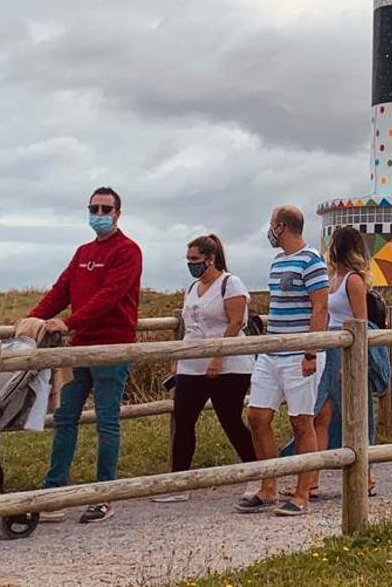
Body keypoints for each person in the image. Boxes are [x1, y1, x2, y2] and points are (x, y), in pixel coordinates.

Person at [28, 186, 142, 524]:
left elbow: (109, 295)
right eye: (94, 208)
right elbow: (61, 290)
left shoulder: (128, 251)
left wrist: (68, 322)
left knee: (107, 422)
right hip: (79, 348)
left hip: (112, 347)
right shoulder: (82, 252)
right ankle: (54, 492)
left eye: (106, 209)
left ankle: (104, 494)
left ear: (118, 213)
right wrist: (32, 319)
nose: (100, 214)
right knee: (65, 419)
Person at [235, 205, 329, 516]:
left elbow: (320, 308)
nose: (269, 230)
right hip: (273, 351)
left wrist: (310, 351)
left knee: (301, 421)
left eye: (272, 224)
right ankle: (268, 486)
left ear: (281, 226)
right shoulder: (277, 262)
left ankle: (302, 493)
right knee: (257, 417)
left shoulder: (312, 261)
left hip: (300, 352)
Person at [153, 235, 256, 504]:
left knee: (230, 419)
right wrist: (179, 357)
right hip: (192, 362)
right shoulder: (191, 288)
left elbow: (234, 323)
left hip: (229, 363)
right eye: (188, 260)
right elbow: (190, 325)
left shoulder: (230, 284)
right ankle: (179, 482)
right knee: (184, 418)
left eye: (195, 260)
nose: (191, 265)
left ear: (210, 259)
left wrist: (218, 356)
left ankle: (256, 473)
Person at [293, 226, 381, 499]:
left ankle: (365, 476)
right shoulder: (332, 278)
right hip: (327, 350)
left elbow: (360, 320)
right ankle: (313, 480)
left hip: (345, 351)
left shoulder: (353, 281)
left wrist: (351, 362)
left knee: (355, 414)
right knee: (321, 414)